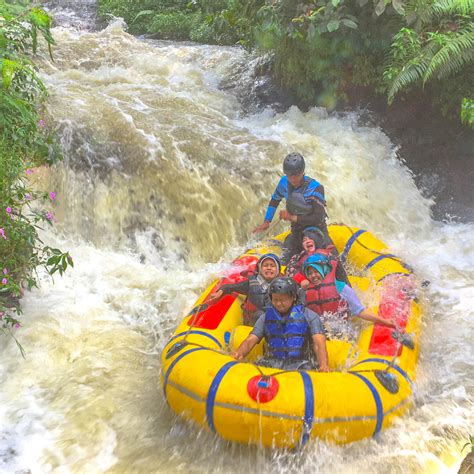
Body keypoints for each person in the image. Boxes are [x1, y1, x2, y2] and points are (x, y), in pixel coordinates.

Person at [232, 277, 329, 371]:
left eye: (282, 300)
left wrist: (323, 365)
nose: (278, 304)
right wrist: (238, 354)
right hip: (272, 363)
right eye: (275, 300)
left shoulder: (310, 316)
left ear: (293, 297)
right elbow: (251, 340)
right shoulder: (265, 317)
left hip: (301, 364)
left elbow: (319, 343)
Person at [252, 152, 328, 264]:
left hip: (316, 231)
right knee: (286, 261)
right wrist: (267, 221)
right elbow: (275, 200)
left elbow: (318, 217)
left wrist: (291, 217)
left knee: (329, 260)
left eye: (296, 174)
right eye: (289, 174)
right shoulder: (284, 182)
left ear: (302, 172)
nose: (292, 178)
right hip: (297, 231)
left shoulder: (315, 188)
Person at [302, 256, 396, 339]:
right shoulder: (306, 292)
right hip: (320, 333)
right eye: (309, 273)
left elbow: (360, 311)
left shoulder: (340, 287)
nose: (313, 276)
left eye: (316, 271)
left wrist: (385, 321)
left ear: (324, 270)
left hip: (343, 330)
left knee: (336, 329)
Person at [206, 253, 281, 325]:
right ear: (260, 269)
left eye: (272, 266)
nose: (269, 268)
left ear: (277, 270)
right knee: (261, 315)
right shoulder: (250, 283)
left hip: (275, 320)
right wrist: (220, 291)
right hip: (255, 319)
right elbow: (230, 287)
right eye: (265, 265)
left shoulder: (283, 285)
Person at [285, 226, 350, 285]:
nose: (307, 241)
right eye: (304, 240)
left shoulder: (329, 257)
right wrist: (302, 280)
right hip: (306, 290)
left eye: (311, 238)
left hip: (328, 290)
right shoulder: (297, 258)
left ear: (318, 240)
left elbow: (342, 278)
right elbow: (289, 272)